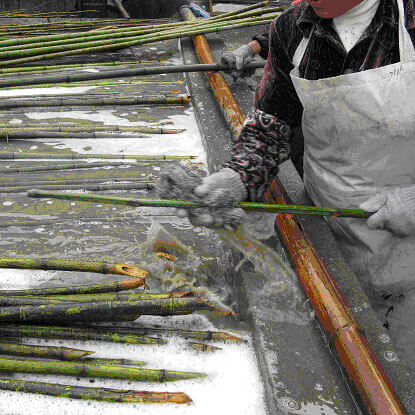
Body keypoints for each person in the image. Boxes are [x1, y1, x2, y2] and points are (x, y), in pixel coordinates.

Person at [159, 0, 415, 372]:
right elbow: (270, 126)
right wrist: (236, 177)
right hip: (330, 227)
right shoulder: (294, 29)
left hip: (409, 248)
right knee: (354, 360)